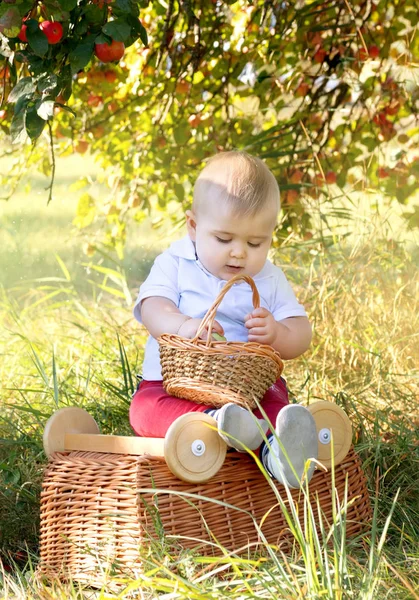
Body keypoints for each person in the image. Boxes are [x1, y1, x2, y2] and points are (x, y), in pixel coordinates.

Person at [130, 150, 318, 488]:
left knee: (275, 402)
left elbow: (302, 334)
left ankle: (280, 451)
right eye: (223, 239)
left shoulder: (269, 279)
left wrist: (276, 333)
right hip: (172, 384)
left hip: (251, 389)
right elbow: (152, 307)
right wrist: (183, 325)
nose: (239, 252)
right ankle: (220, 423)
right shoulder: (175, 261)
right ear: (193, 226)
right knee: (144, 408)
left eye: (255, 242)